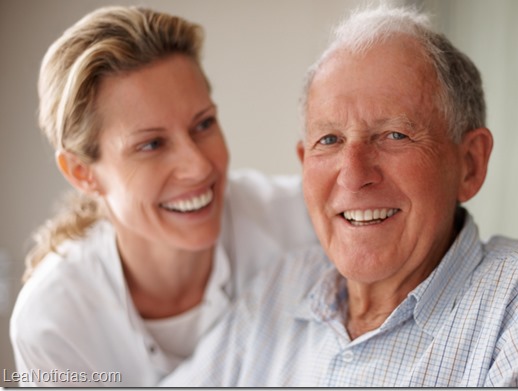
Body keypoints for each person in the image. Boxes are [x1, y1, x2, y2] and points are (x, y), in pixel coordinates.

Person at [160, 4, 518, 387]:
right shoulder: (279, 287)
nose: (354, 174)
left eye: (395, 135)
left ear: (470, 164)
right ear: (304, 161)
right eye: (330, 139)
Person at [9, 6, 317, 387]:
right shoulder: (53, 323)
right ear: (82, 173)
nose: (199, 166)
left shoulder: (304, 225)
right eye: (152, 144)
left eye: (203, 124)